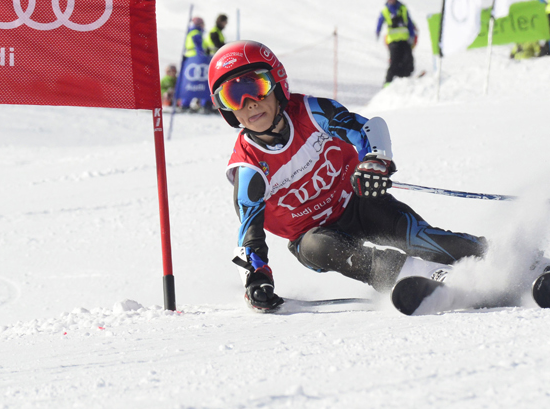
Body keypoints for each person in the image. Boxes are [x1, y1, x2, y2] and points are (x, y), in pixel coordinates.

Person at [208, 41, 487, 311]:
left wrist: (375, 162)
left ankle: (502, 260)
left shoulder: (311, 112)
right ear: (226, 110)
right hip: (313, 235)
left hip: (358, 203)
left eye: (256, 88)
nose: (249, 104)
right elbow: (250, 236)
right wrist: (257, 279)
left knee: (418, 237)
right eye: (233, 97)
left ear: (277, 83)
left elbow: (367, 128)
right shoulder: (249, 168)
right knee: (318, 246)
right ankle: (418, 275)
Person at [375, 0, 418, 84]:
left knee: (408, 60)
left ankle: (405, 79)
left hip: (404, 39)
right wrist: (377, 31)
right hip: (393, 41)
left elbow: (409, 22)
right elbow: (380, 21)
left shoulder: (402, 8)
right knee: (394, 61)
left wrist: (411, 35)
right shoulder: (385, 10)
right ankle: (388, 82)